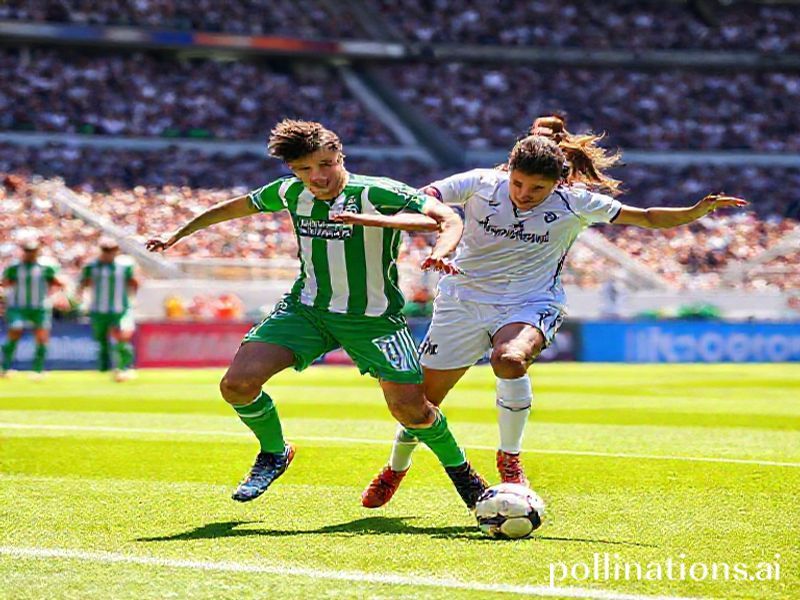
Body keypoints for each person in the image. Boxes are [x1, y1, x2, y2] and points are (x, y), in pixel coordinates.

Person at [339, 115, 747, 508]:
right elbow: (423, 199)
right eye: (518, 183)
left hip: (530, 301)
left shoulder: (575, 202)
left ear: (558, 183)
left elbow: (646, 218)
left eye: (537, 188)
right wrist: (386, 214)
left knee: (510, 359)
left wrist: (695, 211)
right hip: (462, 301)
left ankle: (510, 463)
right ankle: (395, 468)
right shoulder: (481, 183)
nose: (524, 193)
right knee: (423, 403)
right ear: (508, 171)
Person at [145, 119, 488, 509]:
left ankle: (465, 476)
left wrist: (438, 252)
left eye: (325, 164)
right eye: (304, 169)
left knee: (412, 410)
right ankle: (274, 453)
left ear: (340, 156)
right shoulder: (291, 192)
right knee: (236, 385)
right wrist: (178, 234)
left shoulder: (377, 191)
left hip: (372, 318)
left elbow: (448, 218)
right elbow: (232, 209)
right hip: (307, 310)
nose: (317, 177)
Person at [77, 237, 140, 381]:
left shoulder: (124, 266)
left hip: (121, 309)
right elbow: (83, 284)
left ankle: (125, 367)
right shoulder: (92, 267)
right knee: (102, 341)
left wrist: (133, 299)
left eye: (112, 250)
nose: (109, 253)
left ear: (116, 251)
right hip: (99, 310)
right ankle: (104, 368)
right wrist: (81, 300)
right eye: (106, 250)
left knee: (123, 336)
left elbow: (134, 282)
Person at [1, 239, 64, 379]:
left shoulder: (46, 266)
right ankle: (4, 368)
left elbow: (57, 283)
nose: (30, 253)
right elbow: (5, 283)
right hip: (18, 306)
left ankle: (37, 370)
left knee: (42, 337)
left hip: (40, 307)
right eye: (28, 251)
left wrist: (58, 296)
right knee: (15, 331)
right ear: (24, 251)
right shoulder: (15, 267)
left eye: (33, 250)